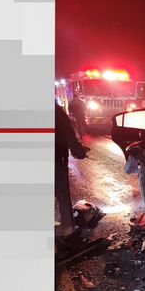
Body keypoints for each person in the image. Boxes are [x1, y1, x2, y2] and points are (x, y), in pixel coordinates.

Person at [56, 100, 90, 237]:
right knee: (62, 194)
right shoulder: (56, 112)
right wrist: (78, 151)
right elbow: (68, 134)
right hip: (55, 158)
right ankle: (68, 230)